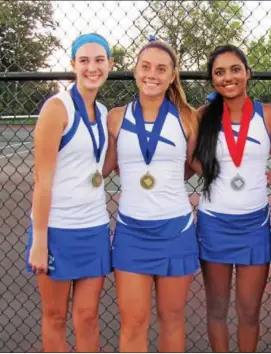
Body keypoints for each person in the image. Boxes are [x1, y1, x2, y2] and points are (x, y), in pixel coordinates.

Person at [102, 37, 199, 352]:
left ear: (172, 76)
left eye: (161, 68)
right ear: (135, 70)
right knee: (133, 322)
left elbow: (194, 165)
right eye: (145, 66)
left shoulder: (187, 117)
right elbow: (106, 167)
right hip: (132, 231)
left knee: (172, 320)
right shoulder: (116, 116)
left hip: (176, 230)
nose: (152, 74)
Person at [190, 44, 271, 352]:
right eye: (219, 72)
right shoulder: (202, 116)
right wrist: (214, 173)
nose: (227, 78)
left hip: (255, 226)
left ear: (247, 73)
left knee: (249, 312)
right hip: (214, 223)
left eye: (234, 70)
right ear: (211, 80)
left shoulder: (269, 115)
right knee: (216, 310)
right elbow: (190, 159)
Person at [26, 33, 114, 352]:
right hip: (56, 230)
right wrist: (40, 240)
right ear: (73, 65)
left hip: (93, 228)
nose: (92, 67)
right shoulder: (57, 108)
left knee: (88, 316)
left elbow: (94, 167)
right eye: (85, 61)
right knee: (55, 316)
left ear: (110, 64)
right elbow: (42, 178)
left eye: (99, 60)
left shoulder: (103, 113)